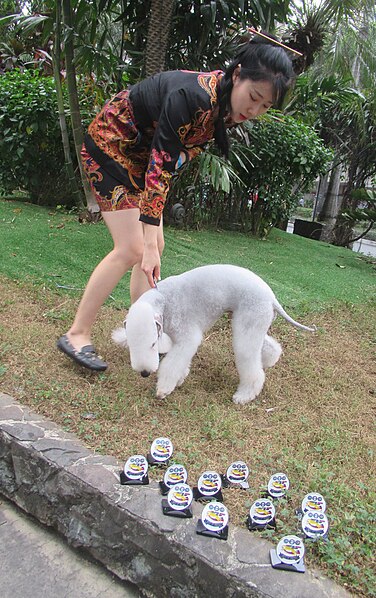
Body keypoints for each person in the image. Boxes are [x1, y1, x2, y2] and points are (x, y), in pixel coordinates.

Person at [57, 30, 295, 371]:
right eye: (254, 97)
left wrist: (154, 231)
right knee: (134, 248)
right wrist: (148, 236)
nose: (254, 109)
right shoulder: (193, 95)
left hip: (143, 159)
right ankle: (77, 334)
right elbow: (162, 164)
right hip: (112, 145)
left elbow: (170, 160)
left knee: (155, 246)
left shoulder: (223, 106)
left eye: (264, 106)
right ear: (238, 74)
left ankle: (142, 328)